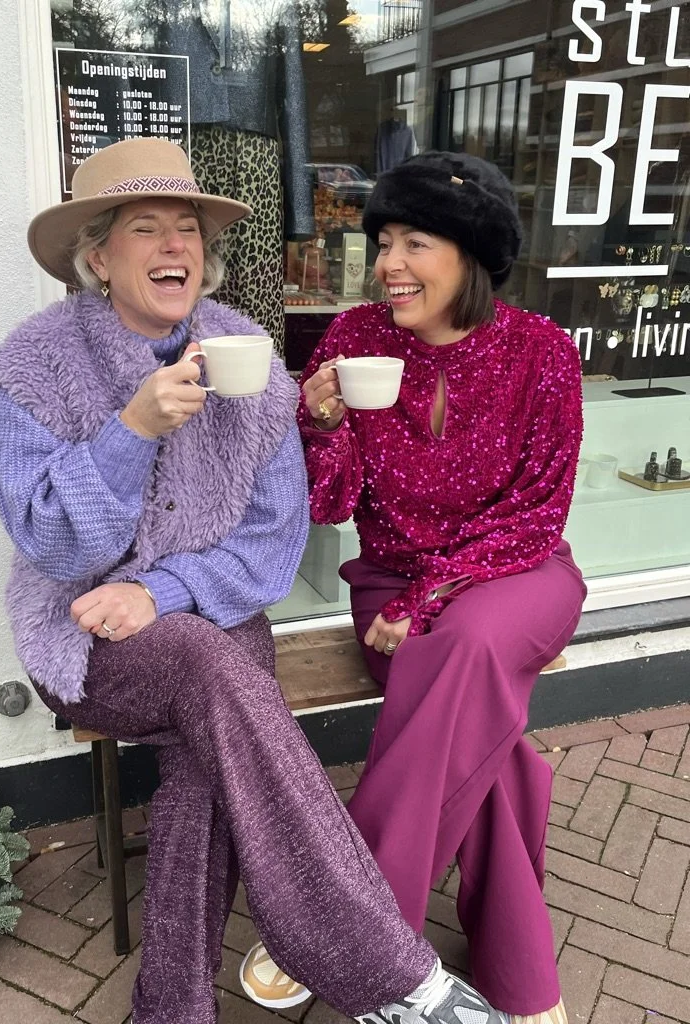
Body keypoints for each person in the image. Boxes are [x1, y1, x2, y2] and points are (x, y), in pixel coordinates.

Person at [0, 139, 508, 1024]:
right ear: (97, 257)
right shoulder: (33, 367)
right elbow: (52, 546)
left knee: (207, 735)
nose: (173, 246)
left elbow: (273, 542)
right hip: (83, 636)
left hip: (216, 625)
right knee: (211, 672)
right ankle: (394, 979)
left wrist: (162, 591)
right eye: (144, 227)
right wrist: (129, 432)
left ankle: (172, 1009)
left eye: (186, 227)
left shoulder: (245, 355)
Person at [242, 152, 586, 1024]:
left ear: (472, 255)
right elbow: (331, 504)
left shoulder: (542, 352)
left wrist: (425, 602)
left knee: (464, 643)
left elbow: (537, 515)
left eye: (415, 243)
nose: (388, 264)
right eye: (384, 241)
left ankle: (337, 921)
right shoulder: (355, 336)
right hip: (389, 580)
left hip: (517, 573)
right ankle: (520, 969)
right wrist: (320, 425)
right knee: (492, 745)